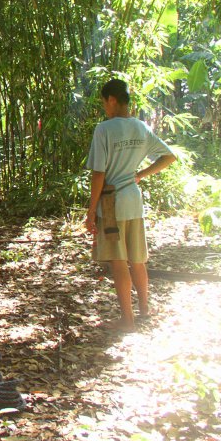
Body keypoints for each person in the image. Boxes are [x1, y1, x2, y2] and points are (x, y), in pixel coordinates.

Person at [85, 79, 176, 332]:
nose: (104, 107)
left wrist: (91, 211)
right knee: (137, 259)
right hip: (133, 199)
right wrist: (140, 175)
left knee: (117, 260)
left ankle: (127, 319)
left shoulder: (104, 130)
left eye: (104, 102)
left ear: (112, 99)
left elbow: (99, 174)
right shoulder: (140, 127)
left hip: (112, 203)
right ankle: (144, 309)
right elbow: (169, 156)